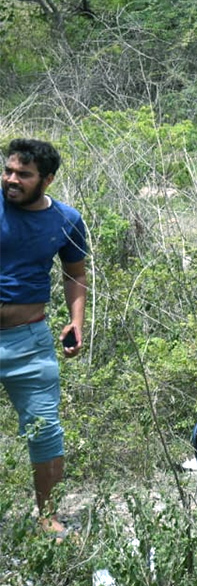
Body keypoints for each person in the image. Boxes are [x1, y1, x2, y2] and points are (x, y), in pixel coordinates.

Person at [0, 139, 88, 536]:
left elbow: (75, 274)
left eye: (23, 174)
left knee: (45, 429)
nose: (11, 179)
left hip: (28, 340)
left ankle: (47, 516)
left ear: (47, 179)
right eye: (8, 170)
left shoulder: (66, 220)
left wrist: (76, 322)